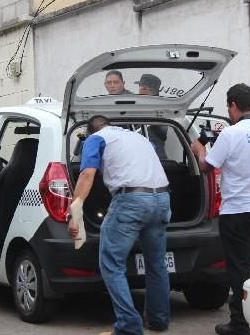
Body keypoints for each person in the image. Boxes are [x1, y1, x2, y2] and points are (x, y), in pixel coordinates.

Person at [68, 115, 171, 335]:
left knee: (112, 264)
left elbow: (87, 174)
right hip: (162, 199)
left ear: (90, 131)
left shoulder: (95, 139)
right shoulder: (140, 138)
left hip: (131, 200)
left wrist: (74, 215)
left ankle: (128, 327)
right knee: (156, 264)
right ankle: (158, 320)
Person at [190, 84, 250, 335]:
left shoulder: (230, 134)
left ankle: (240, 323)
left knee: (239, 268)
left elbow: (207, 167)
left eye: (228, 107)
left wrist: (200, 149)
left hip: (236, 212)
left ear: (233, 106)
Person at [136, 74, 168, 160]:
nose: (139, 89)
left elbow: (161, 131)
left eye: (141, 86)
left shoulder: (160, 109)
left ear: (145, 89)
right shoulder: (139, 105)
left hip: (156, 156)